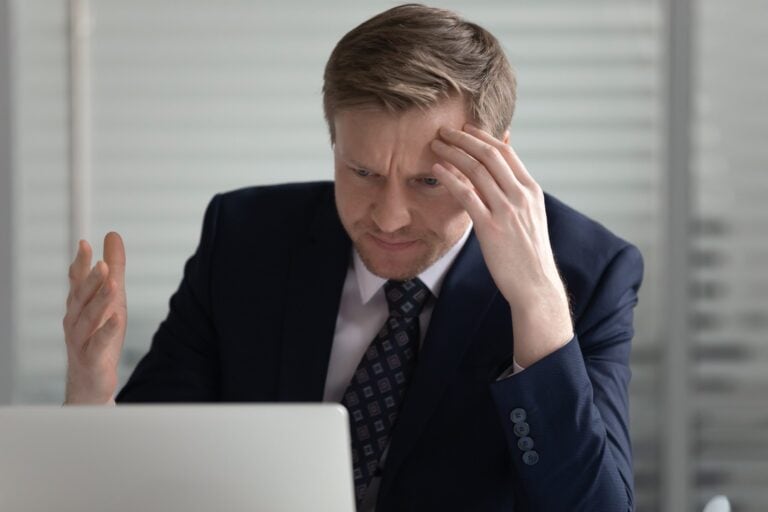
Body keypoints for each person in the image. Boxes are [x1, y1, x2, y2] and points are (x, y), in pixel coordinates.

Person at [62, 4, 643, 511]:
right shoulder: (245, 238)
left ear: (497, 160)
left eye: (428, 182)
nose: (388, 217)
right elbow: (148, 470)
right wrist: (92, 394)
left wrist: (536, 299)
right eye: (361, 172)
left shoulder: (587, 274)